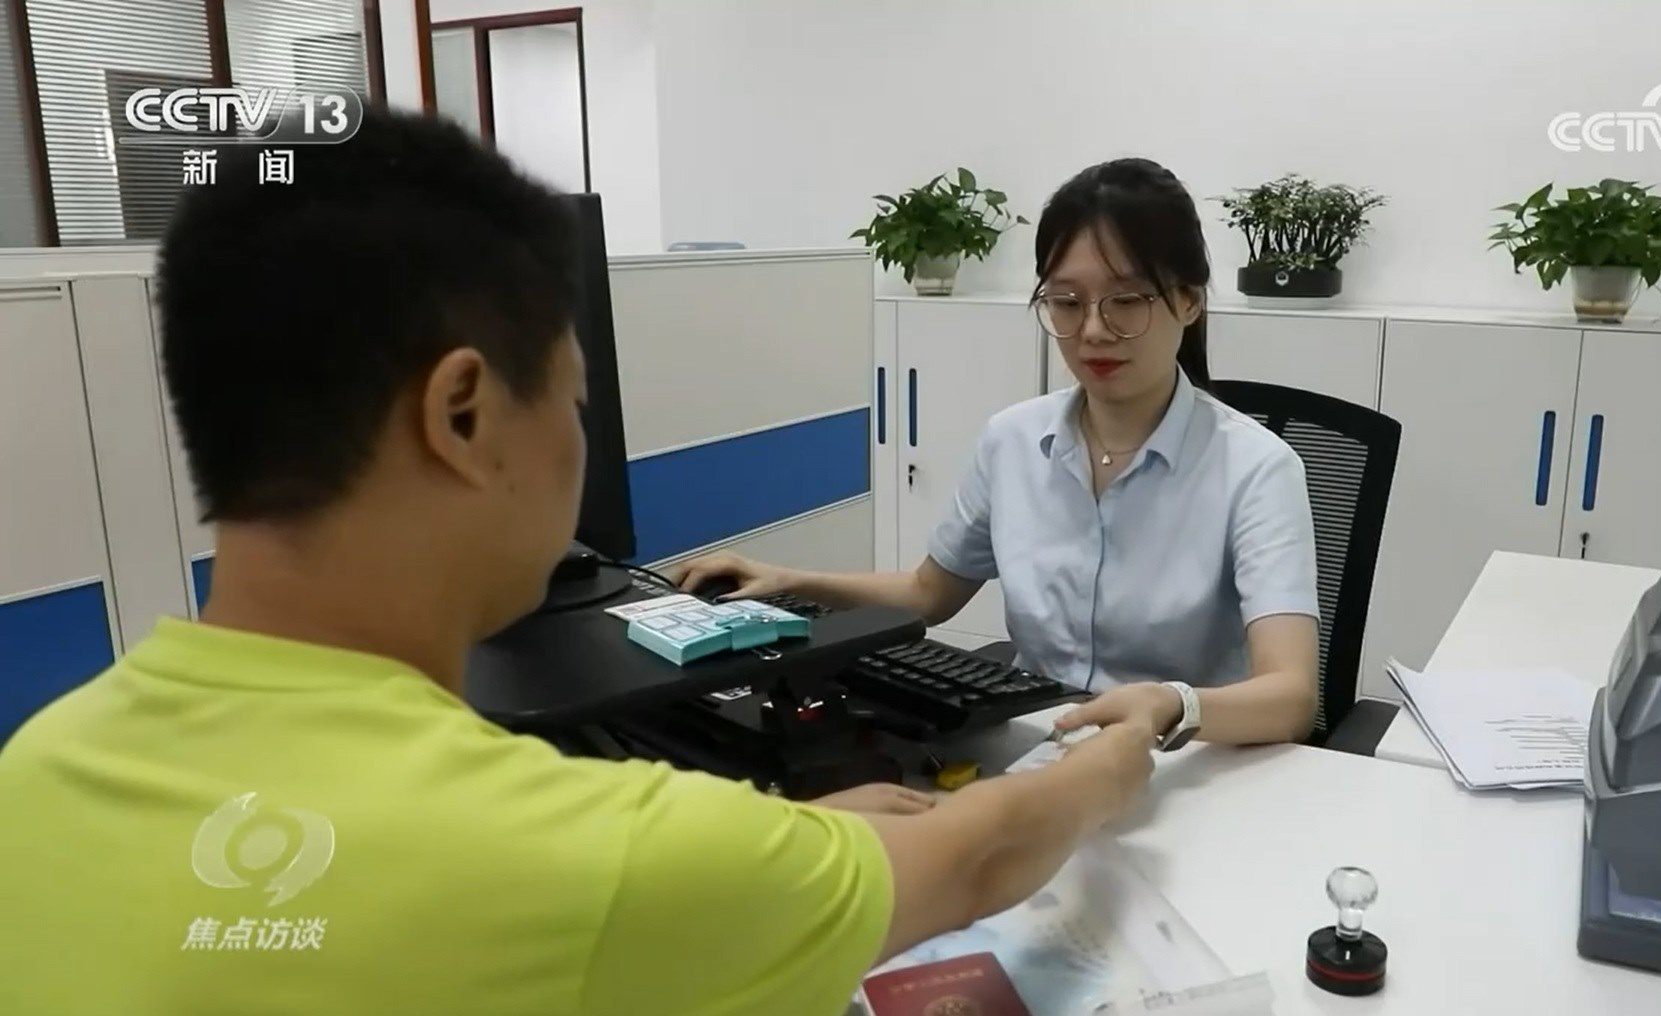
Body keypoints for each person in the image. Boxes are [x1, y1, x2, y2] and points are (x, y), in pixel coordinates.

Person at [0, 108, 1158, 1016]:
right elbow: (982, 852)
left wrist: (799, 842)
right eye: (573, 397)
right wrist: (1109, 765)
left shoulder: (35, 776)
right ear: (463, 414)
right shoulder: (591, 853)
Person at [678, 157, 1322, 750]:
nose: (1092, 330)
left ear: (1189, 300)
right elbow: (928, 593)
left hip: (1182, 760)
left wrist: (1171, 705)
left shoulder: (1256, 469)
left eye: (1126, 301)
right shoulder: (1013, 441)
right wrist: (790, 581)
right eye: (1065, 302)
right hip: (1036, 746)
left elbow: (1291, 697)